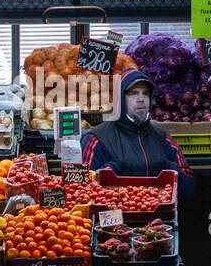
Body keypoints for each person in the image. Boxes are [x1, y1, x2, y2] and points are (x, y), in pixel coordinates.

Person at [81, 69, 195, 199]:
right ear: (119, 99)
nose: (141, 99)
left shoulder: (163, 139)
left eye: (145, 93)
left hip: (159, 216)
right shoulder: (96, 139)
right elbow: (81, 190)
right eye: (133, 93)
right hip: (115, 216)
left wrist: (167, 165)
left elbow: (189, 188)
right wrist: (112, 168)